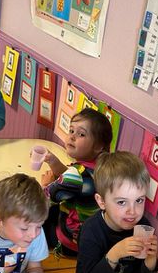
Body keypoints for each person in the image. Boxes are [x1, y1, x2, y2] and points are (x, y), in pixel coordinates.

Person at [74, 151, 158, 273]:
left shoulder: (143, 226)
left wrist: (151, 258)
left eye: (139, 200)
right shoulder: (91, 231)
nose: (133, 211)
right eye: (121, 202)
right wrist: (116, 253)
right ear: (101, 202)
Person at [41, 108, 113, 254]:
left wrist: (46, 184)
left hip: (68, 242)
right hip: (90, 238)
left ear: (98, 146)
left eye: (81, 134)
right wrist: (54, 162)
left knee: (30, 216)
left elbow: (42, 200)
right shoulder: (103, 167)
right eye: (71, 131)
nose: (72, 137)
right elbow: (72, 182)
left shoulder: (75, 175)